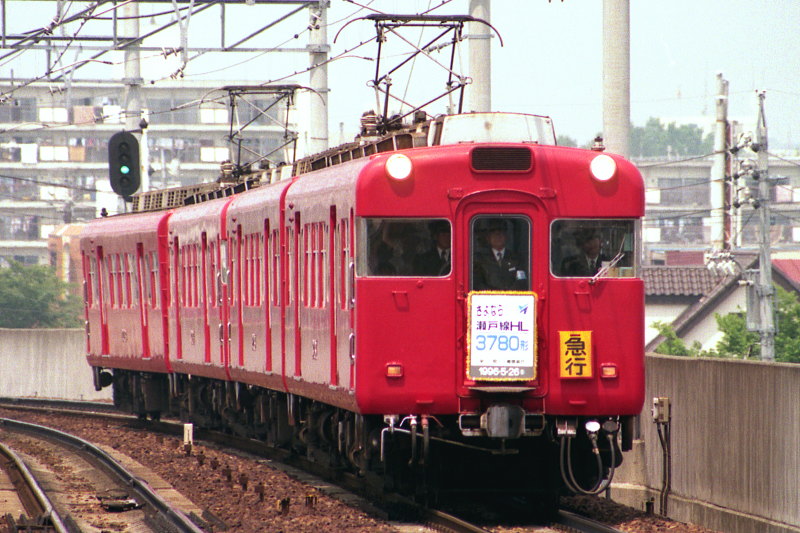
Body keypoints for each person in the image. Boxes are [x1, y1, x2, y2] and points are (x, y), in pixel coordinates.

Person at [472, 219, 527, 290]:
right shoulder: (479, 259)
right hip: (488, 296)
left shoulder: (516, 258)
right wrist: (494, 294)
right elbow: (477, 283)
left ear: (506, 237)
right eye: (493, 233)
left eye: (501, 232)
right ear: (488, 238)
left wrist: (509, 294)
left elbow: (521, 281)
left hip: (512, 296)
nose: (498, 236)